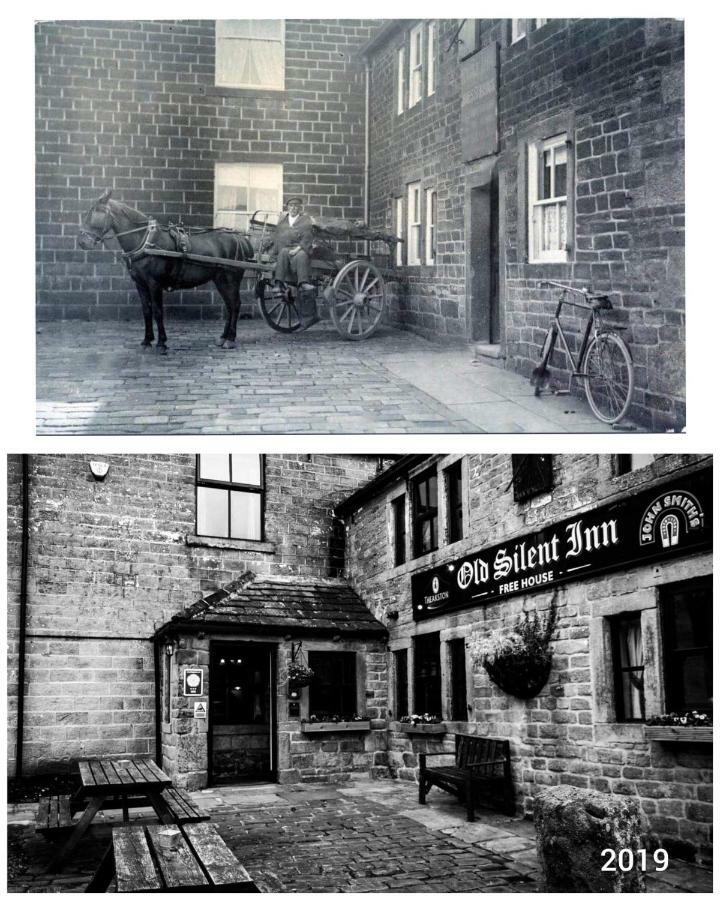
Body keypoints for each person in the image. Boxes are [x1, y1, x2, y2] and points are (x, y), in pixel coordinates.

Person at [271, 197, 315, 293]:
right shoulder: (283, 222)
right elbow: (278, 238)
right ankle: (279, 283)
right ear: (288, 207)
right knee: (282, 252)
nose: (293, 208)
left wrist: (297, 249)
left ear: (299, 208)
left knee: (301, 255)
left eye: (296, 206)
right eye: (291, 206)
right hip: (287, 248)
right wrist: (275, 253)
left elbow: (307, 237)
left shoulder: (305, 220)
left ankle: (303, 283)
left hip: (300, 248)